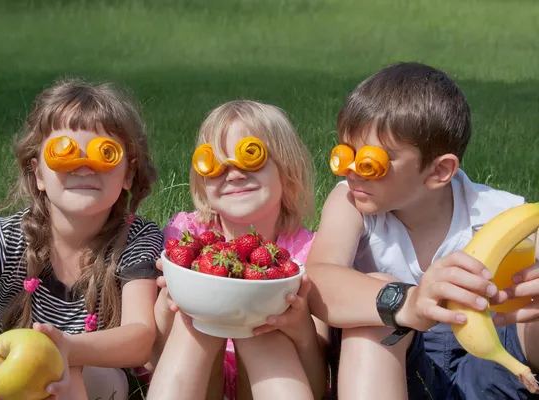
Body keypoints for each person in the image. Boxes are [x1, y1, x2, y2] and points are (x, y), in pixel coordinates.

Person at [306, 61, 539, 399]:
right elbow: (319, 279)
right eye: (345, 154)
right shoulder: (351, 204)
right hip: (395, 365)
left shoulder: (502, 215)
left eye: (372, 162)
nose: (353, 172)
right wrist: (407, 301)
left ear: (438, 171)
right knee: (376, 305)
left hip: (494, 359)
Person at [0, 78, 164, 400]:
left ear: (128, 174)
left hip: (93, 380)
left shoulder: (137, 240)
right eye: (64, 152)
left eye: (105, 153)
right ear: (39, 174)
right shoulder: (2, 237)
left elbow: (139, 338)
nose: (84, 166)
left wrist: (66, 348)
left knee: (67, 362)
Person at [143, 100, 329, 399]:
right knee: (197, 323)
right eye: (214, 163)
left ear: (287, 170)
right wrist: (168, 304)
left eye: (251, 157)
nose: (234, 174)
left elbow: (318, 385)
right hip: (200, 380)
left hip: (270, 377)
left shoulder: (309, 252)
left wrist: (299, 327)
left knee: (261, 322)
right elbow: (154, 360)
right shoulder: (187, 236)